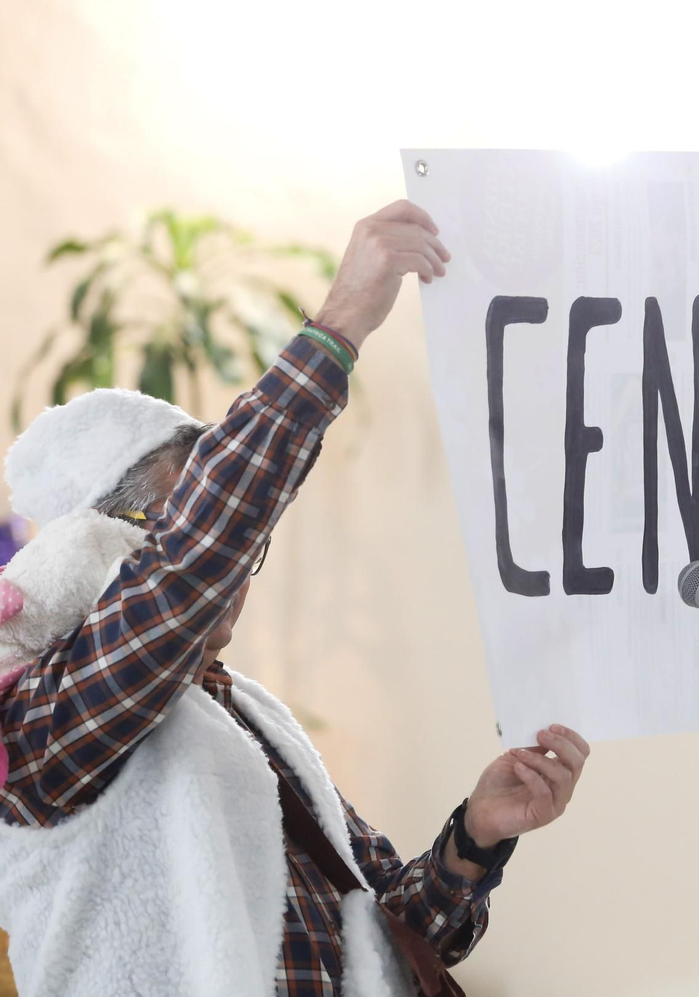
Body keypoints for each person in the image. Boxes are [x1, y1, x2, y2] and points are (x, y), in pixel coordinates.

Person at [0, 200, 589, 997]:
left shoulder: (248, 717)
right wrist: (340, 322)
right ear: (93, 548)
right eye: (188, 523)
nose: (240, 567)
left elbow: (395, 931)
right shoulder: (41, 718)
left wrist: (475, 837)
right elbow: (189, 565)